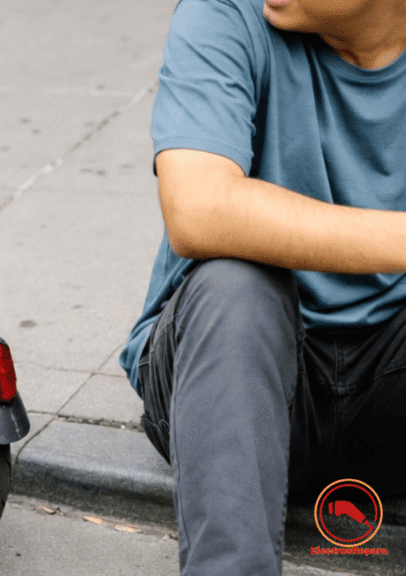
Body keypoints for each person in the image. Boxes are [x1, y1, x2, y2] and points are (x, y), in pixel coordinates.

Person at [119, 0, 406, 573]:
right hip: (231, 379)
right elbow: (198, 211)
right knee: (234, 282)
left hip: (389, 392)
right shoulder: (223, 12)